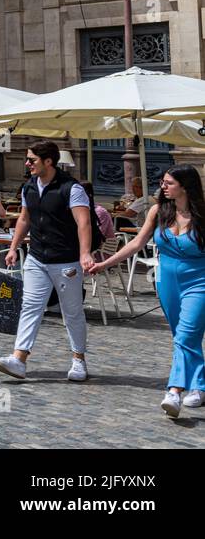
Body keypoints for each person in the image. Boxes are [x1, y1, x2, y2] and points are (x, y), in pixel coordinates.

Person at [93, 165, 205, 417]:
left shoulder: (202, 214)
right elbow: (136, 243)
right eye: (163, 182)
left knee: (186, 335)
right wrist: (105, 264)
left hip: (199, 282)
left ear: (185, 186)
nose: (162, 187)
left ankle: (174, 391)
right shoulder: (158, 211)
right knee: (183, 335)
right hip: (167, 282)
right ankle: (199, 385)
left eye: (169, 183)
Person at [0, 141, 94, 383]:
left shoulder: (71, 189)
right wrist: (13, 248)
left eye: (32, 160)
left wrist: (85, 253)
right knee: (30, 307)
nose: (27, 164)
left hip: (65, 261)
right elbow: (24, 219)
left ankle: (79, 359)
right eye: (27, 159)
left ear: (48, 161)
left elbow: (83, 223)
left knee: (72, 312)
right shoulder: (29, 187)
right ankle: (19, 359)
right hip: (36, 257)